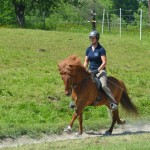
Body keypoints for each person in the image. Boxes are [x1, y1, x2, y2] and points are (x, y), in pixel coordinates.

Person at [83, 30, 118, 111]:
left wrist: (97, 70)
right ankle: (75, 100)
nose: (91, 39)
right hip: (90, 71)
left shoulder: (101, 49)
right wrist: (83, 70)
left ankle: (113, 102)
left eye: (93, 38)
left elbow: (104, 62)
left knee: (103, 86)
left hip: (100, 71)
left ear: (97, 38)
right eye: (90, 38)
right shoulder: (88, 49)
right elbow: (86, 62)